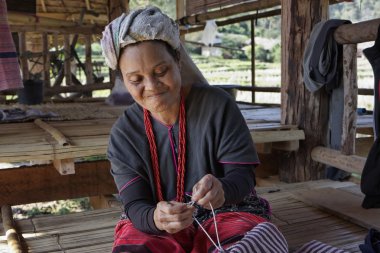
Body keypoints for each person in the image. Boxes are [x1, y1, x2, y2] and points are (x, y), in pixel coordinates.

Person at [101, 6, 287, 253]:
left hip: (226, 213)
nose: (152, 86)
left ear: (178, 61)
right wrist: (155, 218)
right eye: (136, 80)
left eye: (161, 71)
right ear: (124, 81)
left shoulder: (217, 106)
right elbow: (135, 204)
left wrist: (222, 189)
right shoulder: (124, 134)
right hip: (158, 223)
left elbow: (242, 179)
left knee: (245, 244)